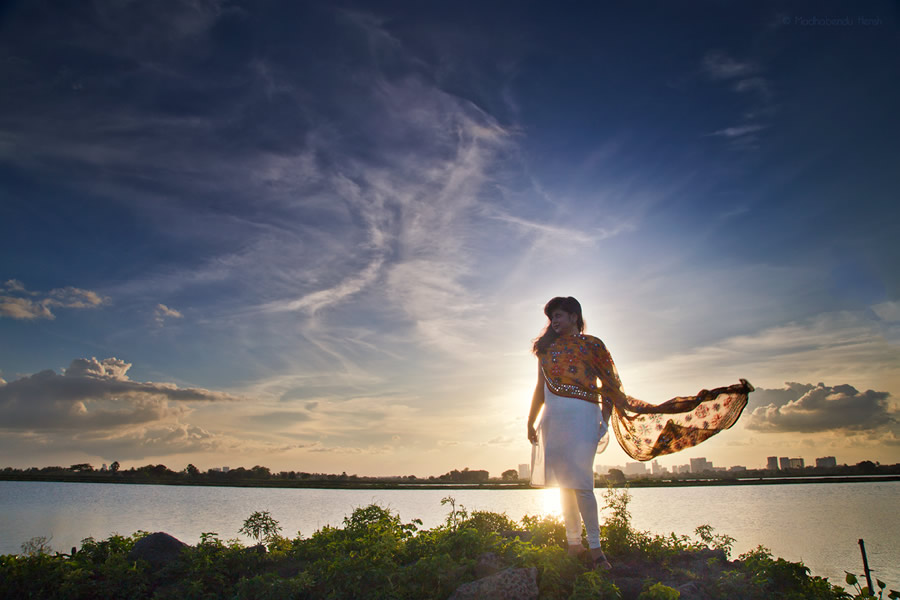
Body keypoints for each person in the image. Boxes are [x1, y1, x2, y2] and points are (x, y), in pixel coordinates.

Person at [527, 296, 753, 570]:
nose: (554, 321)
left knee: (583, 484)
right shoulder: (546, 349)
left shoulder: (594, 345)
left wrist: (604, 419)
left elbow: (610, 387)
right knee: (565, 484)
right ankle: (573, 544)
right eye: (552, 317)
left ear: (574, 316)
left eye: (559, 315)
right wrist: (531, 421)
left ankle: (597, 550)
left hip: (584, 417)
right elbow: (540, 388)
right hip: (554, 419)